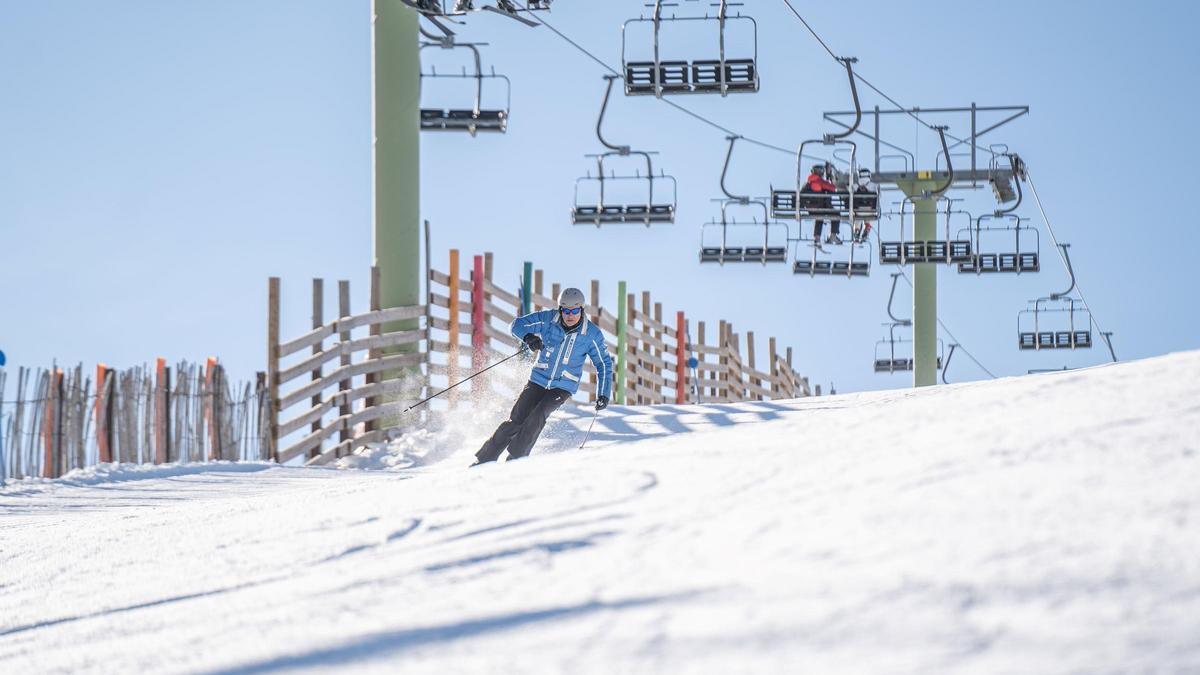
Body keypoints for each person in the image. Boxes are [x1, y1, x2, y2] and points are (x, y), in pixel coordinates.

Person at [472, 287, 613, 466]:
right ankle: (484, 459)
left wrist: (603, 394)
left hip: (563, 386)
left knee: (538, 415)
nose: (570, 315)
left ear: (582, 310)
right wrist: (529, 337)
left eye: (575, 310)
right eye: (566, 310)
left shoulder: (591, 334)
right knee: (517, 419)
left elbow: (604, 364)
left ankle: (515, 460)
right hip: (538, 379)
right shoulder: (548, 319)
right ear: (560, 309)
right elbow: (516, 325)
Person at [800, 163, 842, 245]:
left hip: (811, 209)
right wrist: (831, 180)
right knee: (836, 214)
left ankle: (817, 238)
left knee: (819, 217)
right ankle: (833, 235)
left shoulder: (808, 183)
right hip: (821, 207)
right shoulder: (820, 181)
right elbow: (833, 188)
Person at [850, 168, 878, 244]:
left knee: (858, 218)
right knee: (868, 217)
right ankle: (867, 228)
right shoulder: (875, 186)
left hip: (858, 210)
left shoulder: (855, 186)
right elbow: (879, 197)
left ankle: (857, 230)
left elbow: (850, 197)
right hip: (870, 211)